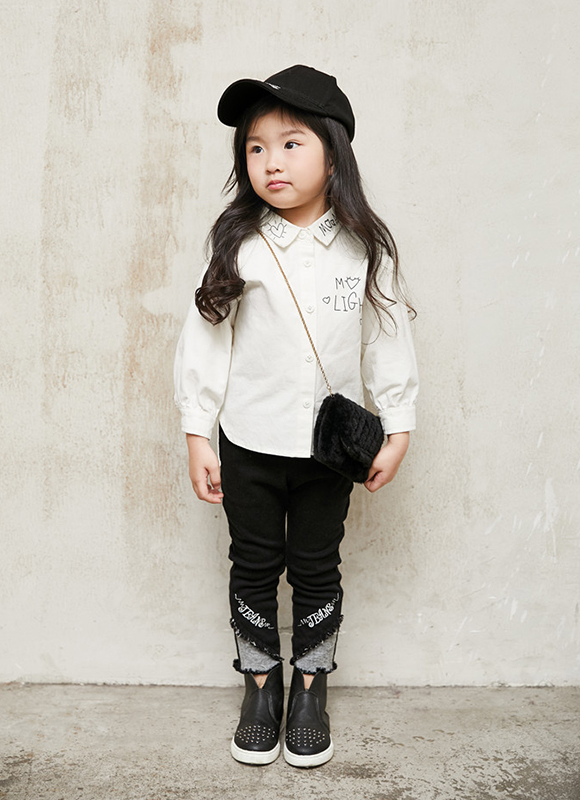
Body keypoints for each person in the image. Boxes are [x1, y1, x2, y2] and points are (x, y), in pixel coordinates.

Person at [174, 65, 418, 768]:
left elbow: (387, 336)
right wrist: (198, 432)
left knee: (317, 567)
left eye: (290, 144)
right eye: (255, 148)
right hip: (248, 440)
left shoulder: (365, 247)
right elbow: (207, 338)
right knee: (253, 565)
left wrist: (398, 425)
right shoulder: (238, 243)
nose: (271, 162)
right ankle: (260, 687)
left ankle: (310, 689)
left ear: (333, 154)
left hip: (327, 451)